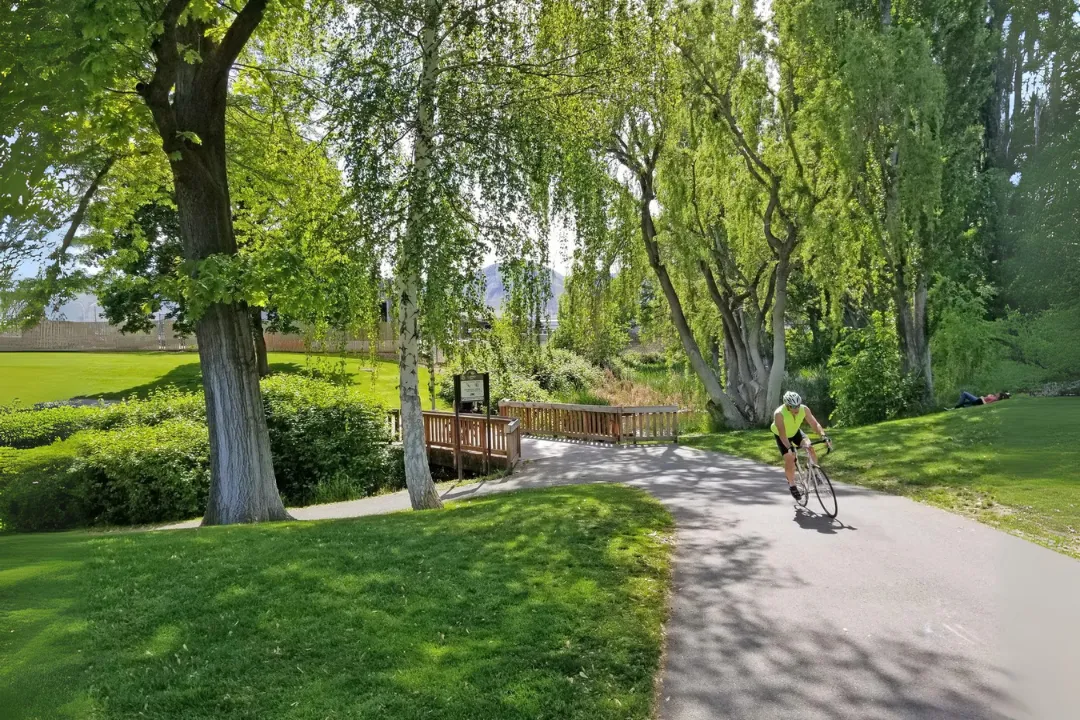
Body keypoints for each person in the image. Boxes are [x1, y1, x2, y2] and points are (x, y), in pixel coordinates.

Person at [771, 391, 829, 501]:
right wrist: (789, 447)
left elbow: (814, 423)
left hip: (795, 432)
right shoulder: (779, 414)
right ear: (787, 406)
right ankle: (792, 485)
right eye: (793, 407)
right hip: (782, 436)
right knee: (790, 457)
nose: (796, 409)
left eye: (797, 405)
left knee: (809, 447)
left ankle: (814, 473)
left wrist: (823, 436)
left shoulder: (804, 409)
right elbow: (782, 435)